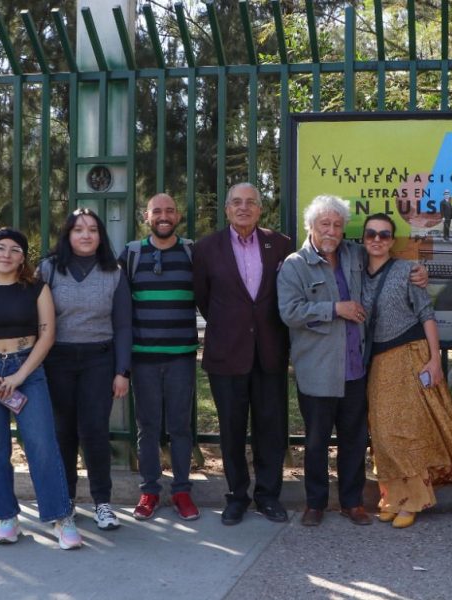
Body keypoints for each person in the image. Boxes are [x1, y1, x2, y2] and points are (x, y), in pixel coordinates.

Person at [0, 228, 82, 550]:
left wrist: (19, 376)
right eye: (1, 248)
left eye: (15, 250)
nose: (7, 254)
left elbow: (47, 336)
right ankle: (6, 518)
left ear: (23, 258)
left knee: (42, 445)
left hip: (26, 370)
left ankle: (61, 517)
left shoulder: (37, 289)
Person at [361, 213, 452, 528]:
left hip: (409, 354)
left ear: (392, 240)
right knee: (383, 434)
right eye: (371, 234)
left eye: (384, 235)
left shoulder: (406, 271)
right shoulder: (356, 272)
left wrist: (434, 359)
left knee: (407, 432)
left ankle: (413, 500)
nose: (377, 239)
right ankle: (392, 498)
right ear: (363, 239)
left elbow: (426, 313)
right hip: (376, 361)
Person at [193, 183, 293, 525]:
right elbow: (204, 299)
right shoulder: (206, 248)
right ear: (226, 209)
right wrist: (232, 324)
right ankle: (237, 496)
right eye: (236, 202)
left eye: (251, 202)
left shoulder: (280, 245)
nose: (244, 207)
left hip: (270, 352)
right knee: (231, 430)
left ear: (260, 209)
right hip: (227, 353)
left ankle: (268, 496)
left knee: (271, 429)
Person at [278, 195, 373, 527]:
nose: (331, 231)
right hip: (317, 370)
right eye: (325, 224)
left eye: (337, 225)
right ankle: (315, 503)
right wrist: (335, 309)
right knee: (317, 441)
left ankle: (352, 502)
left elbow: (383, 265)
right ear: (311, 227)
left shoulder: (355, 255)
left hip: (354, 367)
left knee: (354, 440)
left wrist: (415, 271)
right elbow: (290, 312)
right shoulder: (294, 265)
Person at [39, 208, 132, 532]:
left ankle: (102, 502)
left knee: (94, 431)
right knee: (62, 432)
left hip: (99, 360)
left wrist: (122, 370)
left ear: (100, 236)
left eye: (92, 229)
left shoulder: (113, 272)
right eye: (78, 229)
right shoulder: (49, 269)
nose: (86, 235)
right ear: (67, 235)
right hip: (57, 360)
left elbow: (123, 325)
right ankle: (64, 503)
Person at [121, 193, 200, 521]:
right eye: (157, 211)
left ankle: (181, 491)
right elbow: (120, 306)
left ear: (178, 216)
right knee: (148, 427)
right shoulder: (131, 254)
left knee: (181, 427)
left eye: (169, 210)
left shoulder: (192, 253)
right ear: (146, 216)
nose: (163, 216)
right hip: (143, 358)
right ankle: (150, 491)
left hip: (181, 356)